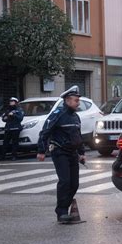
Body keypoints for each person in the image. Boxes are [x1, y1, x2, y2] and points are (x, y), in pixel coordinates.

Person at [36, 86, 86, 223]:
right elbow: (45, 132)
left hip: (72, 153)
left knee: (74, 184)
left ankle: (65, 207)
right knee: (65, 181)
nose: (78, 103)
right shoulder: (58, 114)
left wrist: (82, 153)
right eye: (76, 100)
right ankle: (62, 212)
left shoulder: (75, 117)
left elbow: (78, 136)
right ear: (68, 100)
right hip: (59, 152)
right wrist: (41, 150)